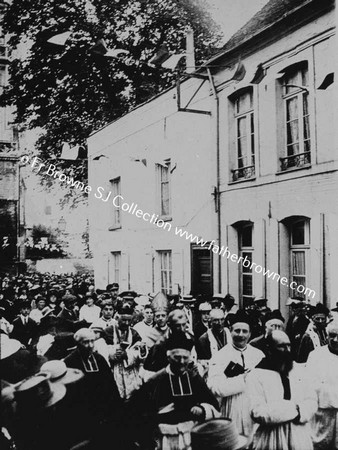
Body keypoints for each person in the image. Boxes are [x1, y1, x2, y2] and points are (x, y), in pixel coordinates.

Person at [128, 331, 220, 450]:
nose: (181, 362)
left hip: (191, 438)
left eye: (185, 357)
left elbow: (213, 404)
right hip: (163, 439)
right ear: (168, 357)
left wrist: (202, 409)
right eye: (177, 357)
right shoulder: (156, 380)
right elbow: (137, 411)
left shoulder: (195, 378)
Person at [247, 330, 317, 450]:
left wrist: (297, 412)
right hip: (270, 439)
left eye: (289, 345)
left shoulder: (300, 371)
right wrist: (295, 408)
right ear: (269, 349)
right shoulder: (256, 375)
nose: (288, 350)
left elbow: (312, 402)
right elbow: (259, 413)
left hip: (299, 437)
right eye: (281, 346)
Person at [207, 310, 264, 437]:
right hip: (232, 409)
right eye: (237, 331)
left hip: (254, 411)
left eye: (245, 331)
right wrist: (243, 379)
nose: (241, 335)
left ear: (250, 334)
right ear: (230, 331)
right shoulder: (220, 356)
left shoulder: (259, 355)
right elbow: (214, 388)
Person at [64, 328, 122, 446]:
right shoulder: (70, 362)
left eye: (92, 341)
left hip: (103, 412)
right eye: (85, 342)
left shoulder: (100, 359)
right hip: (82, 415)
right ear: (78, 343)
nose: (90, 345)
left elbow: (111, 386)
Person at [307, 318, 338, 450]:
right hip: (322, 415)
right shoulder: (316, 356)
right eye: (332, 335)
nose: (336, 340)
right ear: (326, 335)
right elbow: (309, 386)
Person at [105, 303, 145, 400]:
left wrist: (127, 355)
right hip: (113, 371)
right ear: (117, 317)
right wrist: (112, 354)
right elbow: (101, 351)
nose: (127, 323)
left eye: (129, 320)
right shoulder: (107, 332)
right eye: (124, 320)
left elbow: (140, 353)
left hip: (130, 373)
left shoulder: (134, 333)